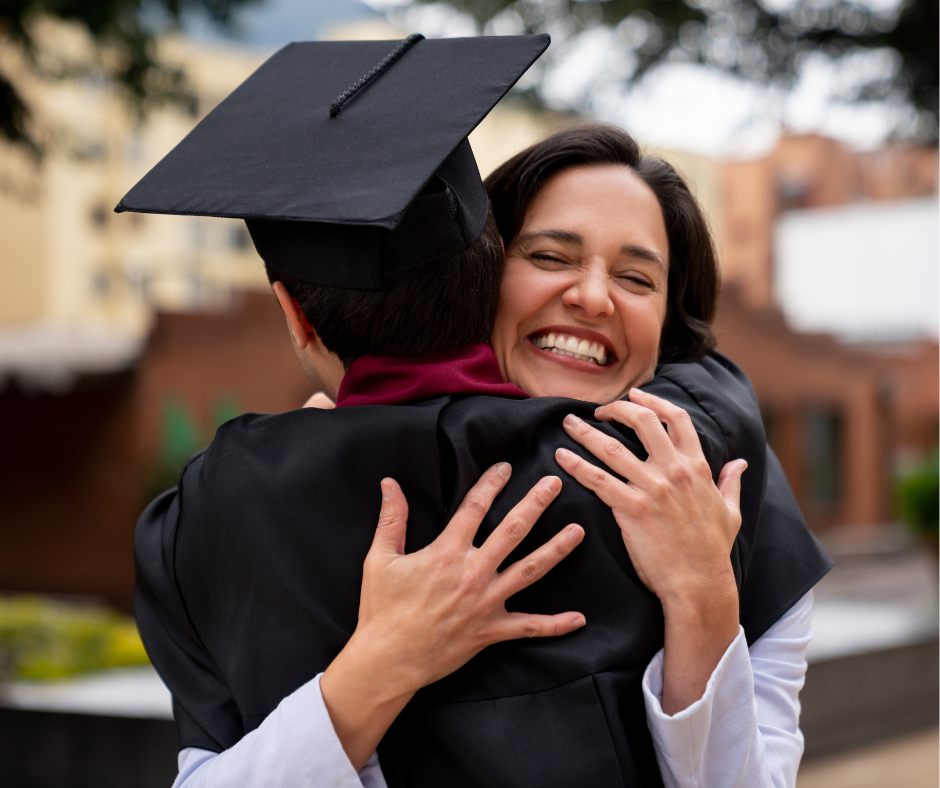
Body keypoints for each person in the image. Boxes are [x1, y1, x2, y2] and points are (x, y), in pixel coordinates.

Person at [127, 36, 828, 788]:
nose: (592, 297)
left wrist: (705, 598)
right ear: (482, 269)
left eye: (636, 277)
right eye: (551, 257)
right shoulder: (279, 498)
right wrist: (373, 670)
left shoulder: (730, 490)